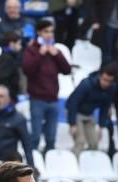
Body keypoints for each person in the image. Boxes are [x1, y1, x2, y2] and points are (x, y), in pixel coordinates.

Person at [22, 18, 70, 153]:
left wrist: (58, 55)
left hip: (53, 99)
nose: (49, 34)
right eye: (46, 31)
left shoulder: (55, 51)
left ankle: (49, 164)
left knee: (51, 138)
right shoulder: (31, 50)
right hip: (37, 99)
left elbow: (67, 70)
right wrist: (39, 55)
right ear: (38, 32)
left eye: (51, 32)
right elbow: (27, 70)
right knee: (35, 137)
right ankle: (32, 166)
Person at [65, 64, 117, 156]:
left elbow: (105, 108)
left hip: (89, 114)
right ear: (99, 76)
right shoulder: (86, 84)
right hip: (76, 112)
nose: (106, 84)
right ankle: (74, 164)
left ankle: (89, 165)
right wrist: (72, 123)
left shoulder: (111, 88)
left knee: (94, 143)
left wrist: (101, 127)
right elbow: (73, 103)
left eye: (110, 81)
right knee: (80, 142)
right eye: (105, 80)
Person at [0, 84, 34, 167]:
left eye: (1, 96)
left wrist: (31, 167)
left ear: (8, 98)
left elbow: (27, 144)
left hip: (8, 164)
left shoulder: (18, 119)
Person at [0, 31, 23, 102]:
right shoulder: (6, 59)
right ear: (12, 44)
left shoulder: (9, 57)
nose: (20, 47)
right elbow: (2, 79)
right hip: (7, 98)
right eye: (19, 44)